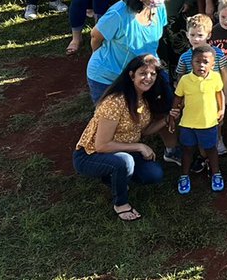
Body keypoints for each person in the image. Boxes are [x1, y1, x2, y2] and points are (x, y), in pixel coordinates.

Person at [73, 54, 172, 222]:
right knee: (124, 162)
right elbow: (102, 145)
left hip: (122, 150)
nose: (148, 78)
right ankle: (121, 203)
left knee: (154, 174)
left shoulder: (144, 98)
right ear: (132, 75)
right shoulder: (115, 101)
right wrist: (140, 147)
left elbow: (144, 131)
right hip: (90, 154)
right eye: (143, 73)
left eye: (153, 74)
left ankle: (113, 177)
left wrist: (166, 119)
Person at [86, 0, 170, 104]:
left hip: (142, 73)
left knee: (163, 104)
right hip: (109, 76)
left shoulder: (158, 8)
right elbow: (95, 36)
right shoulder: (118, 14)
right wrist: (96, 54)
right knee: (112, 118)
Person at [169, 44, 226, 194]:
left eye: (206, 62)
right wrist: (173, 115)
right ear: (191, 63)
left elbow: (219, 93)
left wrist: (221, 109)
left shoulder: (215, 77)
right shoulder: (185, 80)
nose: (201, 65)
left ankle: (216, 173)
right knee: (187, 150)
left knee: (211, 150)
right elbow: (178, 97)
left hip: (208, 123)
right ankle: (184, 175)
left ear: (213, 64)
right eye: (197, 62)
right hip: (187, 124)